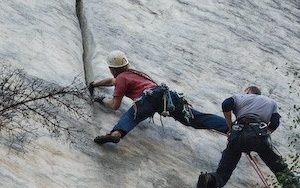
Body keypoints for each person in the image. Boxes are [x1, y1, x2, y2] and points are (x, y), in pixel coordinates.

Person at [90, 50, 228, 144]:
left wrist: (102, 99)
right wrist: (95, 83)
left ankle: (116, 134)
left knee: (132, 115)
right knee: (195, 118)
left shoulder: (121, 78)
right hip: (167, 97)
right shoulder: (133, 74)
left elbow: (115, 105)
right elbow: (111, 81)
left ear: (112, 69)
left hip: (149, 98)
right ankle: (228, 127)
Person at [196, 85, 293, 188]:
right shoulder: (271, 102)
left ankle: (209, 178)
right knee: (280, 169)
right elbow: (275, 123)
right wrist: (265, 133)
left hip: (237, 135)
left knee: (223, 173)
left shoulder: (240, 97)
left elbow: (226, 104)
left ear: (247, 92)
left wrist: (230, 127)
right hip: (259, 134)